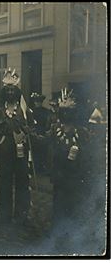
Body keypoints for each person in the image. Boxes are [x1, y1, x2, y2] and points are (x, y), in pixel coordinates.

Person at [0, 68, 36, 226]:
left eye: (12, 89)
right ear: (4, 92)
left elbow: (31, 127)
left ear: (17, 92)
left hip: (21, 151)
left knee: (23, 183)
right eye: (7, 90)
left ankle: (22, 215)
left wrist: (27, 132)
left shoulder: (24, 110)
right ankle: (4, 215)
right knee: (5, 183)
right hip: (5, 151)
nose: (10, 92)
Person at [48, 88, 92, 247]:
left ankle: (72, 232)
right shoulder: (55, 129)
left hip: (74, 174)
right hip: (59, 173)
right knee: (58, 203)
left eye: (69, 111)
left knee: (73, 204)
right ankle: (57, 232)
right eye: (63, 111)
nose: (66, 114)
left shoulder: (82, 131)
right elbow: (47, 144)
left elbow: (87, 153)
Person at [30, 93, 51, 175]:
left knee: (43, 153)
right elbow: (30, 124)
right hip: (35, 134)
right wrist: (35, 134)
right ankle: (36, 168)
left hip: (43, 133)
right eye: (36, 101)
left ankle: (42, 169)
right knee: (35, 153)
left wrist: (45, 133)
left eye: (39, 101)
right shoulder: (31, 112)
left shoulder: (46, 112)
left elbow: (48, 123)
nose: (37, 103)